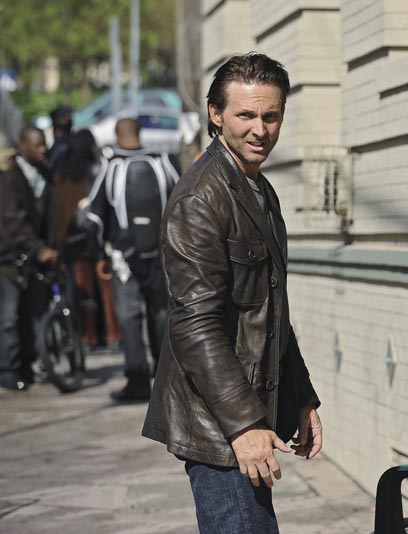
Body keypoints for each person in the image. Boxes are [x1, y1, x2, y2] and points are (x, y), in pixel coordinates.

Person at [142, 52, 323, 534]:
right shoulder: (201, 197)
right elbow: (194, 324)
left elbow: (269, 309)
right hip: (218, 422)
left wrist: (301, 396)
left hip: (247, 412)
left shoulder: (257, 188)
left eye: (271, 116)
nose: (260, 129)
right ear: (216, 114)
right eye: (246, 115)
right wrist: (244, 424)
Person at [83, 118, 179, 402]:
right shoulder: (164, 162)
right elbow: (184, 203)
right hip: (162, 254)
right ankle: (166, 382)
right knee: (160, 313)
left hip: (123, 258)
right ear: (140, 133)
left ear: (116, 134)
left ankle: (137, 382)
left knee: (128, 317)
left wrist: (100, 252)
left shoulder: (109, 165)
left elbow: (94, 216)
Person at [0, 128, 57, 391]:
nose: (43, 150)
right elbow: (12, 220)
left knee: (32, 313)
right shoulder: (9, 176)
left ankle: (27, 364)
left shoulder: (44, 172)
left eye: (44, 145)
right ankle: (8, 370)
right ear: (22, 145)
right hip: (8, 256)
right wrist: (39, 247)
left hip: (31, 256)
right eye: (37, 145)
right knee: (8, 317)